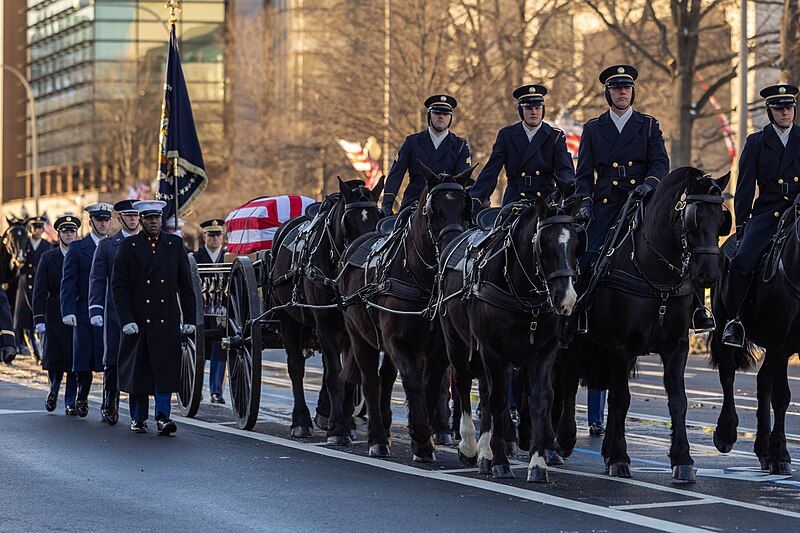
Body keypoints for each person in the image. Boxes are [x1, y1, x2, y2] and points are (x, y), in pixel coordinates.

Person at [574, 65, 671, 437]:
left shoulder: (648, 126)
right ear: (608, 94)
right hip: (606, 205)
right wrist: (584, 201)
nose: (622, 93)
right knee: (584, 258)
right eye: (616, 89)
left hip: (642, 202)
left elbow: (660, 162)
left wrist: (650, 183)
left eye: (627, 88)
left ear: (633, 92)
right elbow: (584, 173)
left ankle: (694, 309)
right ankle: (576, 315)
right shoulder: (594, 129)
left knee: (677, 250)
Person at [721, 83, 800, 347]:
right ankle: (735, 321)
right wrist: (742, 223)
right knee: (741, 261)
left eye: (789, 108)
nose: (786, 113)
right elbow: (744, 187)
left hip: (798, 211)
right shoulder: (756, 142)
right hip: (768, 212)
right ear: (770, 111)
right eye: (780, 109)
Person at [112, 200, 196, 435]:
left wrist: (189, 318)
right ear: (141, 220)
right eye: (149, 218)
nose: (153, 222)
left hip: (166, 319)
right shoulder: (128, 247)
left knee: (164, 372)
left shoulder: (175, 244)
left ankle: (162, 417)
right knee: (139, 373)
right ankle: (138, 418)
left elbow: (185, 286)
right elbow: (119, 287)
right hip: (138, 321)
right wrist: (126, 319)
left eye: (157, 218)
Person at [470, 84, 575, 205]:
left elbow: (565, 170)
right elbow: (492, 169)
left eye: (537, 108)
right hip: (515, 198)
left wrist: (569, 193)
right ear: (521, 111)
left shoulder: (554, 136)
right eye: (529, 108)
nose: (534, 112)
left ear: (543, 110)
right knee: (500, 224)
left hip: (546, 200)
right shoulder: (507, 135)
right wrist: (476, 198)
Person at [88, 200, 140, 425]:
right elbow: (97, 278)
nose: (132, 219)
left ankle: (139, 413)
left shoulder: (146, 243)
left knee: (138, 361)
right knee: (112, 360)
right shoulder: (108, 245)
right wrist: (95, 308)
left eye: (136, 216)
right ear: (120, 219)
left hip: (140, 310)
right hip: (114, 312)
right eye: (128, 216)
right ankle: (110, 403)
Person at [60, 203, 113, 417]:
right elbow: (68, 283)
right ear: (91, 222)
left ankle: (110, 404)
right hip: (83, 313)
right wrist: (67, 310)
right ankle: (82, 394)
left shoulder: (115, 245)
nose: (103, 223)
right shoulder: (77, 248)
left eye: (106, 220)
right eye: (99, 220)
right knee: (83, 359)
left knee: (111, 362)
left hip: (110, 312)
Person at [381, 94, 472, 215]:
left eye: (445, 114)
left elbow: (462, 178)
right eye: (437, 113)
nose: (441, 117)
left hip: (447, 201)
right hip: (414, 200)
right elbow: (396, 174)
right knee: (394, 230)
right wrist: (387, 203)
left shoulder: (460, 145)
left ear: (450, 118)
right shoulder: (412, 142)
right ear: (429, 116)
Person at [33, 215, 80, 414]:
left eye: (72, 231)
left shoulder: (82, 254)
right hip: (54, 314)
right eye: (65, 231)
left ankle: (70, 400)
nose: (69, 234)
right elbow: (40, 289)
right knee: (54, 358)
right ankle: (53, 389)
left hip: (76, 313)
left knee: (73, 360)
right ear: (59, 234)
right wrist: (39, 318)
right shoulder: (48, 257)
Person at [193, 218, 226, 404]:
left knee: (220, 350)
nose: (215, 238)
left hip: (222, 311)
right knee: (200, 350)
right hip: (201, 310)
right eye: (211, 235)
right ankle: (196, 388)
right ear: (204, 237)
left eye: (218, 235)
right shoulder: (196, 258)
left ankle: (216, 391)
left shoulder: (228, 256)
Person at [14, 216, 51, 361]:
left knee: (41, 318)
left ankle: (41, 349)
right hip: (25, 285)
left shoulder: (47, 245)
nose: (37, 230)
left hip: (41, 285)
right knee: (26, 320)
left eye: (40, 227)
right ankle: (34, 351)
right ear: (31, 229)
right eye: (35, 227)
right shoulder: (24, 243)